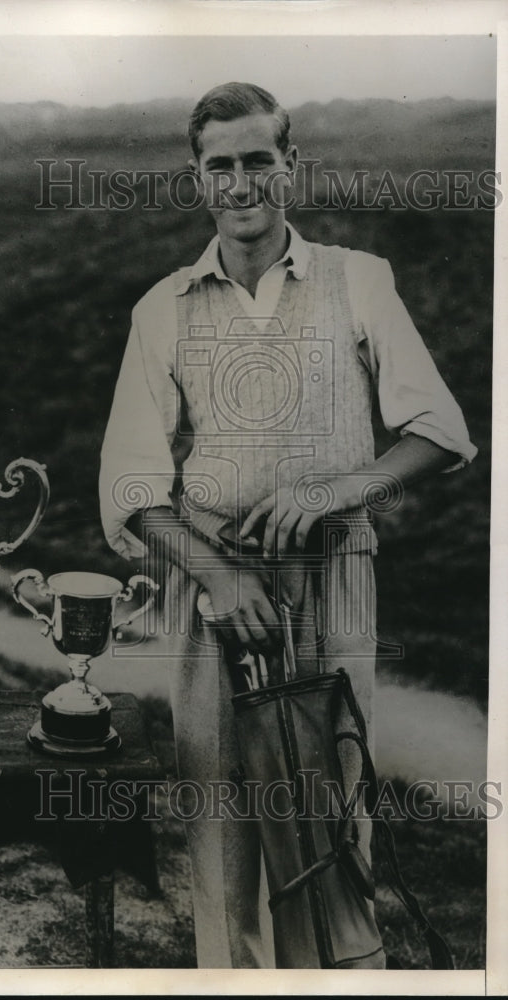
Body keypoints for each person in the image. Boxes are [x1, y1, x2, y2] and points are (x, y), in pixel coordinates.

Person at [98, 82, 476, 968]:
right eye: (218, 166)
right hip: (216, 594)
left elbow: (438, 431)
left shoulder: (358, 278)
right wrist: (219, 578)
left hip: (336, 580)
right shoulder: (163, 309)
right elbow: (132, 485)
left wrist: (340, 488)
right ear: (197, 179)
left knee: (333, 821)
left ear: (289, 168)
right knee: (223, 828)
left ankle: (340, 976)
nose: (240, 184)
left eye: (257, 161)